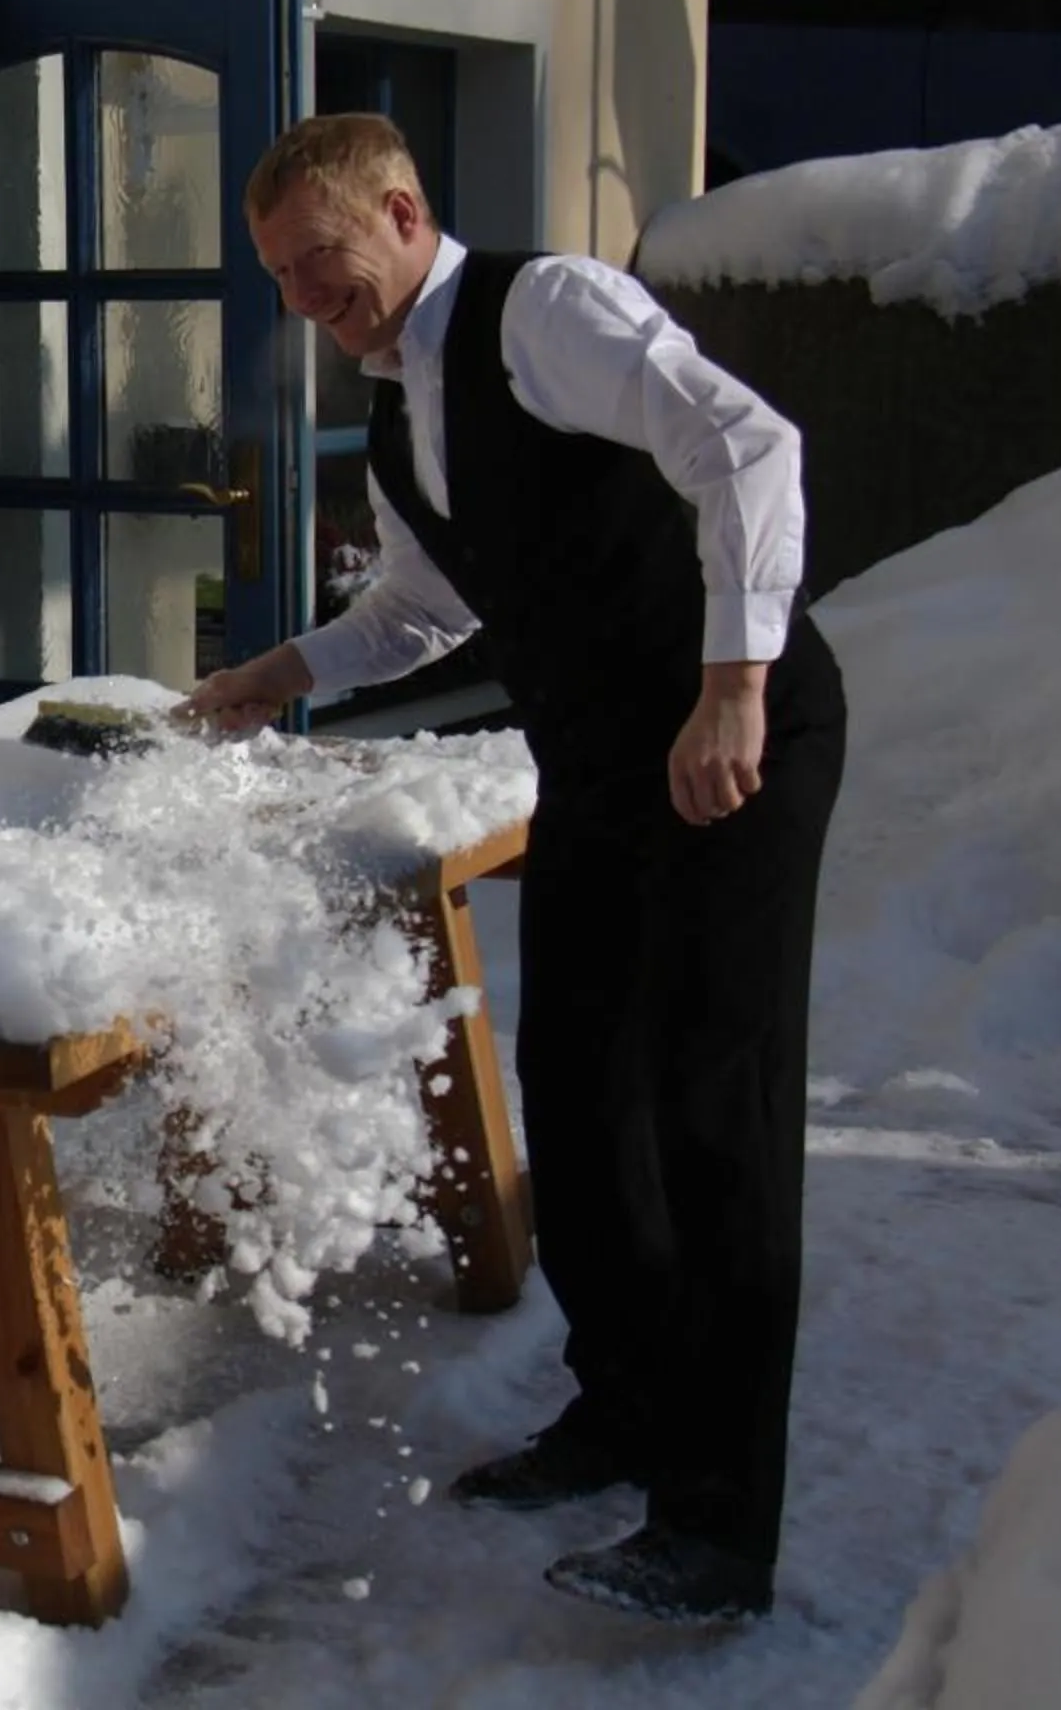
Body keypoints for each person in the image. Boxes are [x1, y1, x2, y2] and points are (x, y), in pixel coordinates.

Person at [188, 114, 847, 1624]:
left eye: (319, 261)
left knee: (712, 1112)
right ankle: (622, 1411)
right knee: (579, 1083)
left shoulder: (541, 314)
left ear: (405, 211)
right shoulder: (401, 391)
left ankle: (718, 1525)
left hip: (733, 739)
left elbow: (748, 445)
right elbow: (427, 611)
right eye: (279, 277)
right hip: (610, 772)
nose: (302, 299)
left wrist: (735, 679)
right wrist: (280, 670)